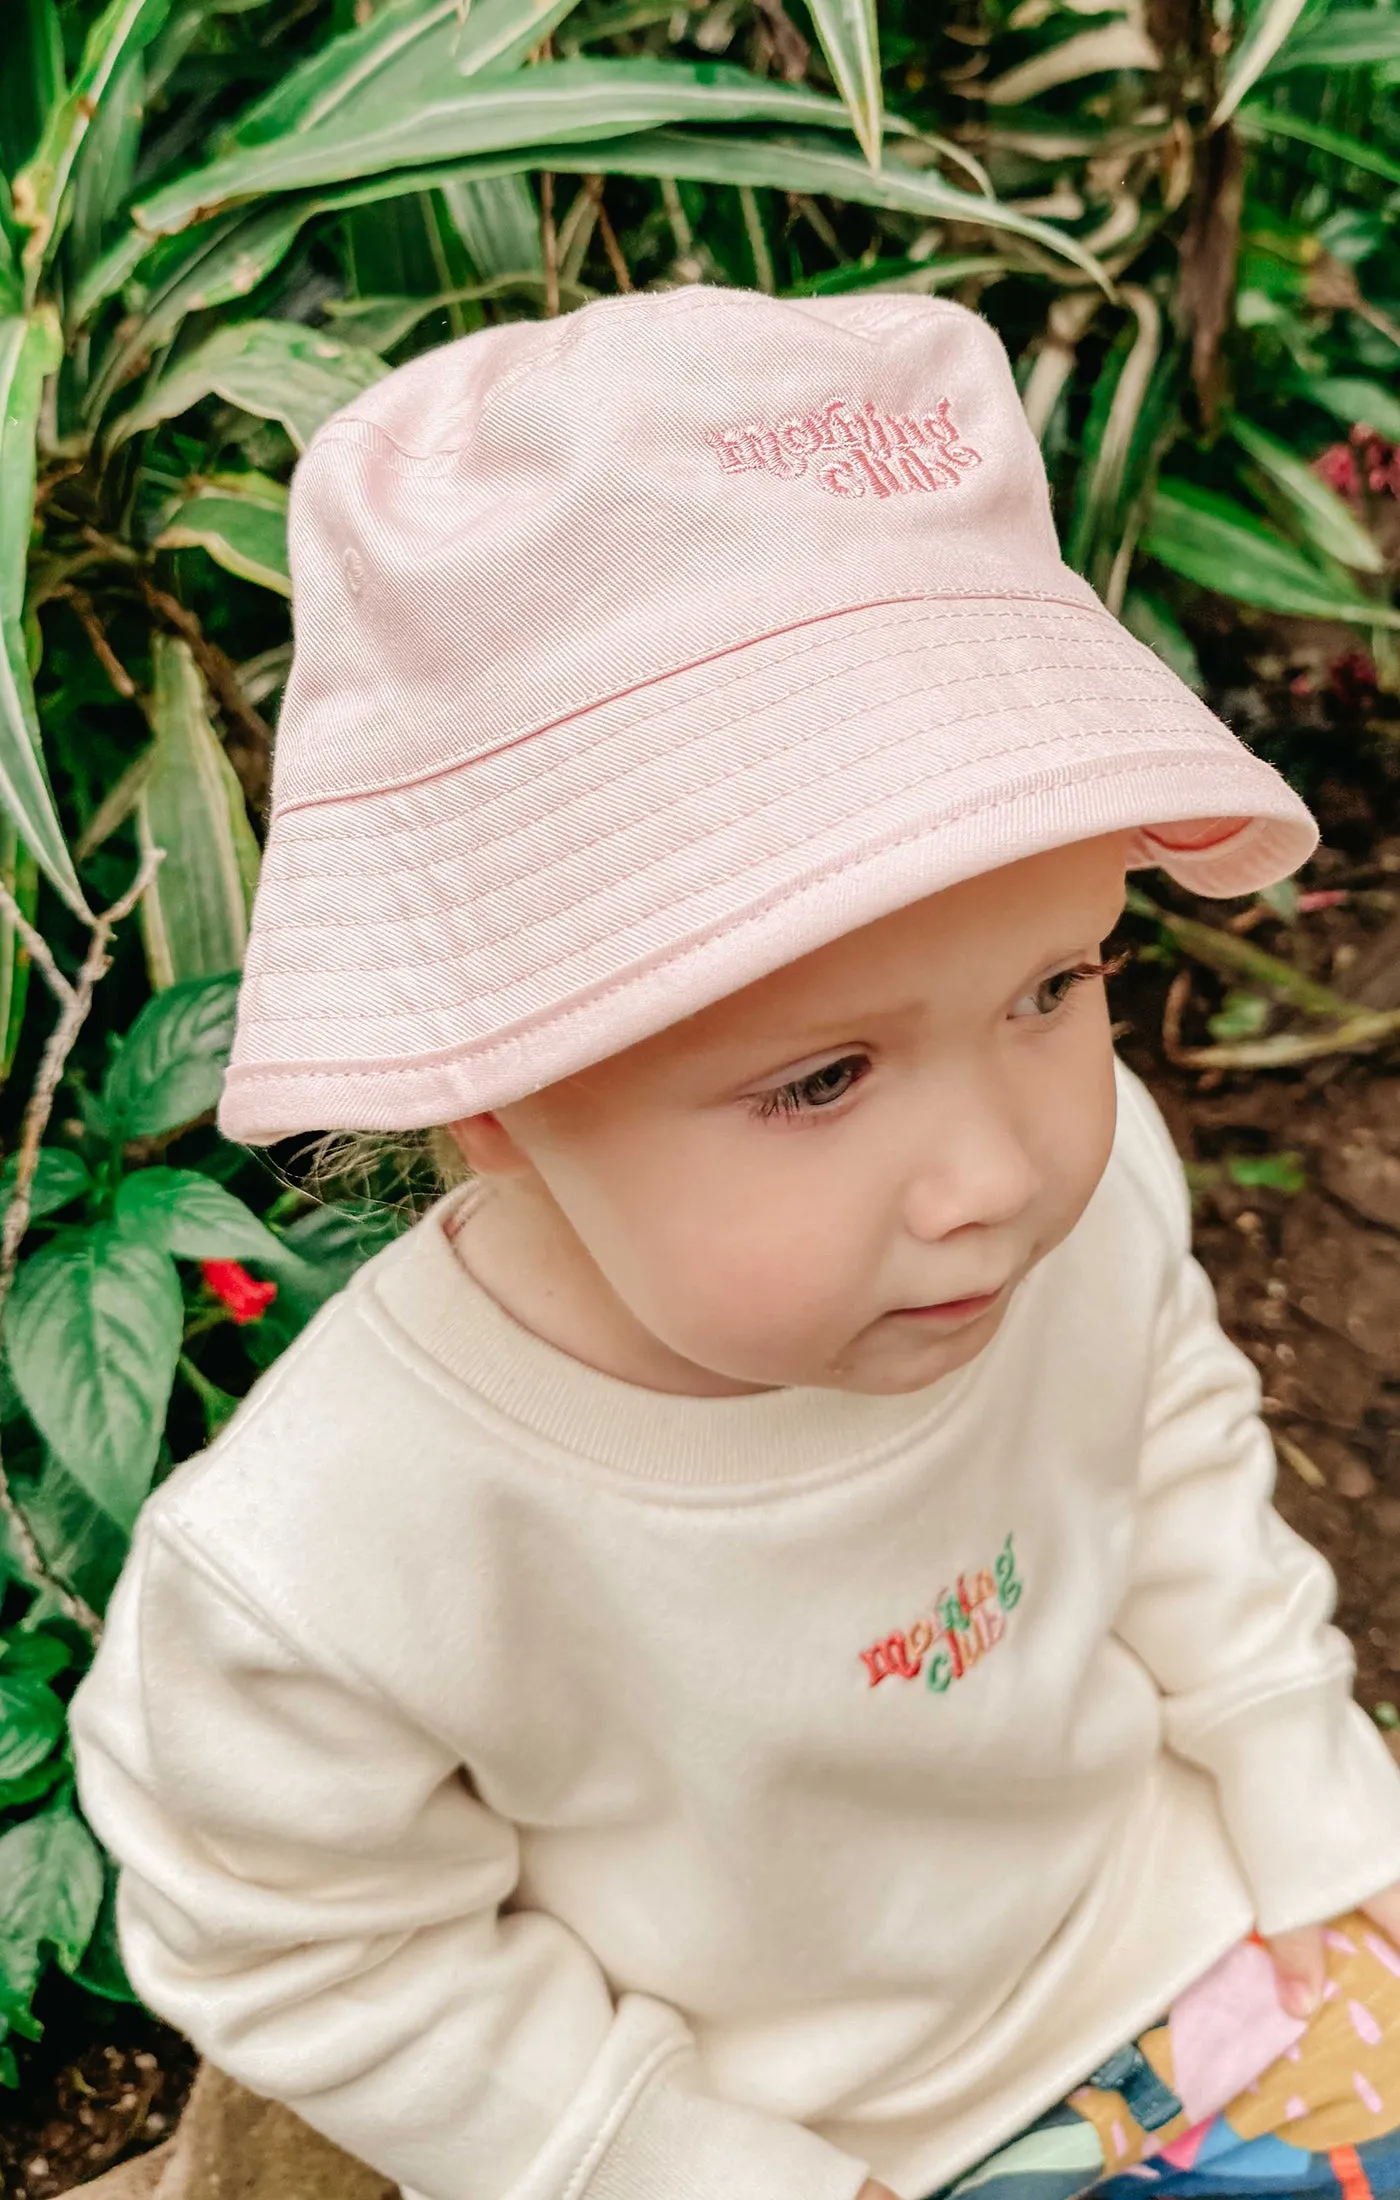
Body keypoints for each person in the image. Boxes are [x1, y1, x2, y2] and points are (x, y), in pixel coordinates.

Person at [70, 287, 1400, 2200]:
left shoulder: (1080, 1214)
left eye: (1053, 984)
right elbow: (313, 1940)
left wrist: (1319, 1825)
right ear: (495, 1094)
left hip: (1179, 1942)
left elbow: (1169, 1455)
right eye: (823, 1077)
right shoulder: (342, 1558)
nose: (995, 1173)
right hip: (753, 2133)